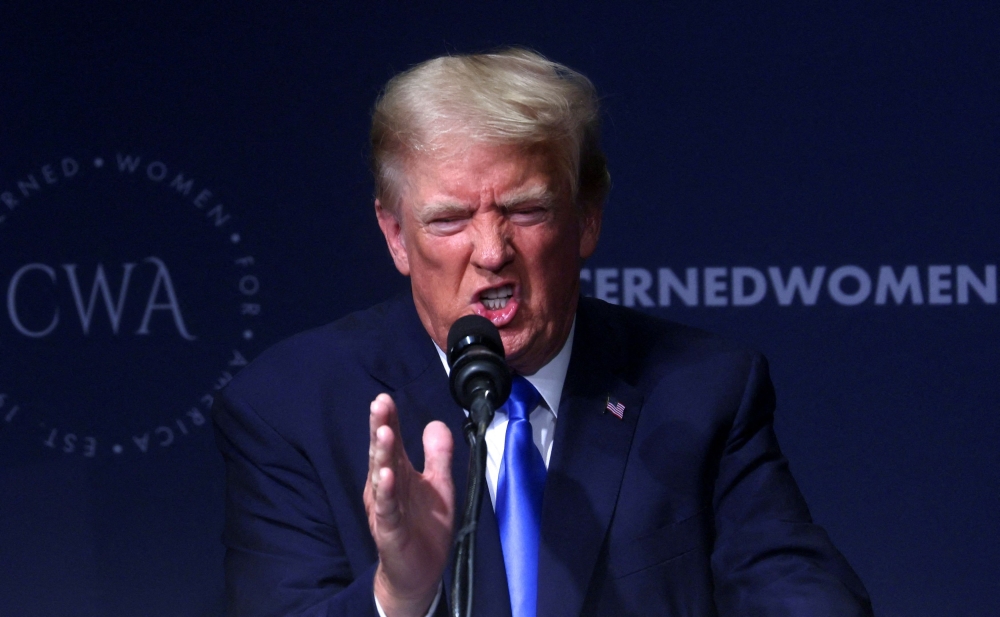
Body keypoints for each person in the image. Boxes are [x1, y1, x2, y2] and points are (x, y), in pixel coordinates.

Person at [213, 48, 873, 617]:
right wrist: (399, 594)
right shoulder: (290, 406)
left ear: (586, 219)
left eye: (526, 210)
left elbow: (800, 590)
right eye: (448, 221)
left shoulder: (704, 392)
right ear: (396, 237)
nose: (492, 250)